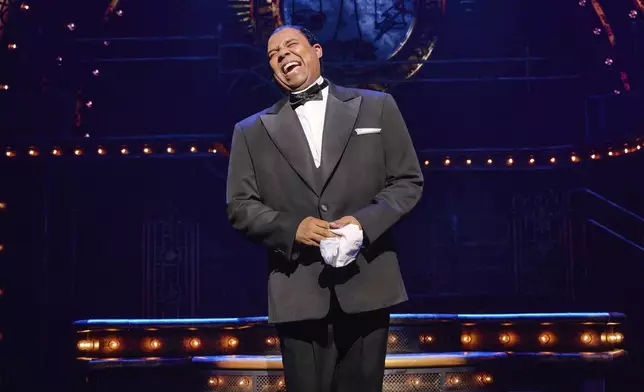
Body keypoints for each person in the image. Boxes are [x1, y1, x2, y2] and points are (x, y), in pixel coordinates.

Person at [226, 25, 424, 392]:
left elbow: (408, 182)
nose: (282, 55)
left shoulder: (377, 108)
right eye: (273, 54)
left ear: (316, 51)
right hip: (298, 291)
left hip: (367, 284)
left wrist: (364, 225)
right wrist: (291, 228)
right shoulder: (251, 131)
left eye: (291, 45)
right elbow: (240, 206)